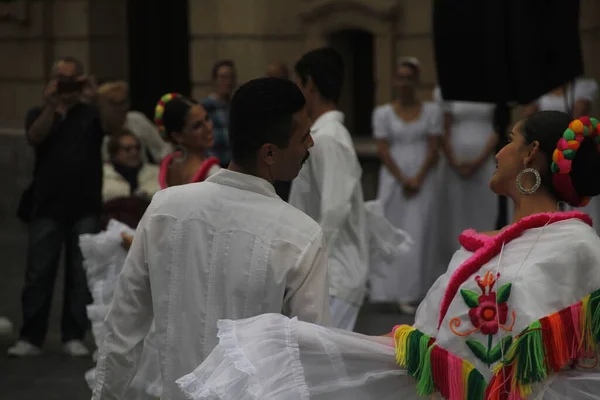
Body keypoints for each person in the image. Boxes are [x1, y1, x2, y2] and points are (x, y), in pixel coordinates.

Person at [177, 111, 600, 400]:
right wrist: (321, 345)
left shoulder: (575, 246)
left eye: (509, 141)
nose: (498, 152)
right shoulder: (491, 245)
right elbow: (431, 343)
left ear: (530, 154)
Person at [92, 77, 331, 400]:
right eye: (304, 137)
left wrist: (104, 396)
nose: (310, 146)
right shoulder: (300, 236)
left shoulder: (165, 209)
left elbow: (122, 328)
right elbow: (315, 357)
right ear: (269, 153)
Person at [9, 56, 103, 357]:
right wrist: (52, 105)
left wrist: (95, 96)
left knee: (80, 275)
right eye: (61, 79)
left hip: (84, 205)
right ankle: (31, 337)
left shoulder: (91, 114)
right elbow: (35, 136)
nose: (67, 86)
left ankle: (73, 335)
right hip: (47, 206)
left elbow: (115, 125)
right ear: (51, 81)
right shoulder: (40, 112)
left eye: (72, 80)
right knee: (38, 273)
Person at [291, 47, 368, 330]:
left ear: (309, 84)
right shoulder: (326, 135)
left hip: (334, 275)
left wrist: (309, 261)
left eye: (298, 84)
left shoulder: (328, 138)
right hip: (329, 273)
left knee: (322, 369)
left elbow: (335, 207)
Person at [369, 57, 442, 314]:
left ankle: (416, 290)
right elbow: (382, 149)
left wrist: (418, 177)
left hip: (424, 179)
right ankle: (389, 290)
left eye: (409, 78)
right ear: (394, 81)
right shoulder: (383, 113)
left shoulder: (431, 111)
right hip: (393, 180)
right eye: (400, 77)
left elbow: (434, 148)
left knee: (420, 232)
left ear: (417, 81)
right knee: (392, 231)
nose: (405, 83)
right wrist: (402, 178)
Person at [433, 86, 499, 264]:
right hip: (454, 164)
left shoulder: (493, 84)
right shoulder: (446, 88)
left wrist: (479, 160)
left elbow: (498, 126)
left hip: (485, 161)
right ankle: (456, 260)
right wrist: (454, 162)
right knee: (456, 211)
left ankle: (486, 255)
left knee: (485, 207)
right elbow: (443, 129)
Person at [155, 93, 221, 188]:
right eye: (197, 126)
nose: (208, 127)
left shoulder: (168, 165)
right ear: (178, 136)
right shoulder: (212, 173)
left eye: (207, 119)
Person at [97, 81, 172, 163]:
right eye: (115, 104)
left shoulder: (137, 119)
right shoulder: (95, 128)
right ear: (102, 106)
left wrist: (163, 167)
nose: (122, 108)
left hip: (142, 173)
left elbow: (163, 146)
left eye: (124, 102)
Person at [101, 129, 161, 230]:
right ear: (114, 153)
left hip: (150, 227)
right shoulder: (104, 174)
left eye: (137, 148)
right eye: (127, 149)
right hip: (112, 230)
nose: (134, 152)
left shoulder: (155, 172)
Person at [201, 60, 237, 167]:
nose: (228, 82)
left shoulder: (236, 106)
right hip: (213, 166)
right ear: (215, 80)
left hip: (233, 167)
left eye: (231, 77)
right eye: (223, 77)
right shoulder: (205, 106)